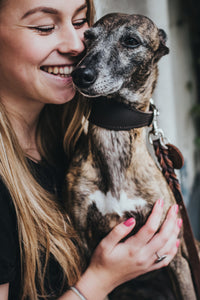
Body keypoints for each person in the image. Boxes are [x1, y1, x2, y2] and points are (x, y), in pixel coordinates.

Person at [0, 0, 182, 299]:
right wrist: (100, 279)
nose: (77, 45)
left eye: (82, 23)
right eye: (44, 27)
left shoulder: (71, 149)